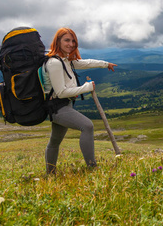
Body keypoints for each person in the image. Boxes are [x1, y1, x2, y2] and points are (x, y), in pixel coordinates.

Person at [42, 27, 117, 174]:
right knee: (87, 126)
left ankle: (50, 174)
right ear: (58, 41)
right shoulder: (55, 63)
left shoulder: (65, 60)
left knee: (55, 141)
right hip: (58, 107)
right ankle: (92, 168)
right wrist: (86, 88)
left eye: (73, 41)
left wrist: (105, 64)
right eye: (67, 40)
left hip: (63, 106)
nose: (71, 44)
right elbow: (61, 92)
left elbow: (85, 63)